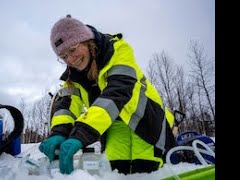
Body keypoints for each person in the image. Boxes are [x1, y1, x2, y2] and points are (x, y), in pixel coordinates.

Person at [39, 14, 176, 175]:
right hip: (113, 128)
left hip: (145, 122)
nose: (70, 60)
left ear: (87, 41)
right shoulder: (73, 75)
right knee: (116, 173)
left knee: (146, 172)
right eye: (63, 57)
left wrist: (82, 133)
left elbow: (116, 93)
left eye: (72, 49)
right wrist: (59, 132)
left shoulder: (118, 50)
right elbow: (67, 106)